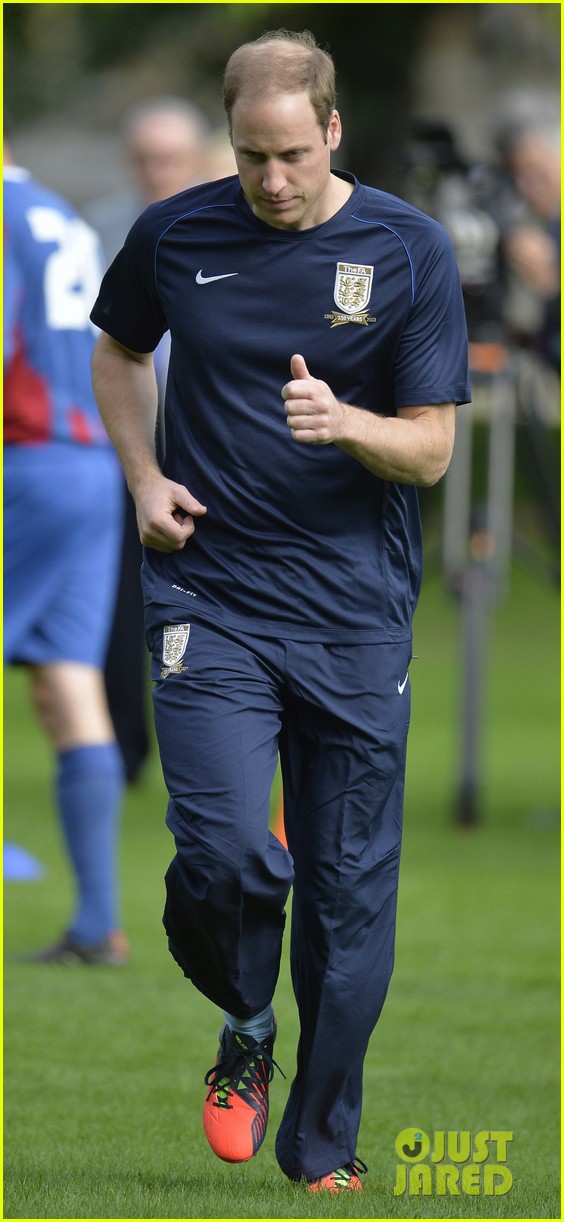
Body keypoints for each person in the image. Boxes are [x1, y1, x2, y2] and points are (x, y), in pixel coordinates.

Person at [90, 29, 470, 1188]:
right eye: (253, 156)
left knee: (351, 901)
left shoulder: (410, 249)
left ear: (334, 130)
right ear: (230, 140)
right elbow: (115, 352)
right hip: (211, 592)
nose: (273, 180)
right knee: (219, 850)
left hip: (356, 615)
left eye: (294, 155)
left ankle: (322, 1149)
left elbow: (435, 450)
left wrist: (349, 424)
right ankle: (246, 1020)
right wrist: (144, 478)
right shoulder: (177, 230)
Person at [4, 148, 128, 966]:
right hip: (93, 465)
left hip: (30, 465)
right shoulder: (59, 211)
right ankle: (96, 926)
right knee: (69, 682)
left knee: (69, 681)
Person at [87, 97, 210, 783]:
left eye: (170, 158)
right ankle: (121, 750)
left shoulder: (229, 228)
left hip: (200, 444)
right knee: (113, 602)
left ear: (194, 161)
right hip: (118, 441)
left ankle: (198, 744)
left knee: (196, 602)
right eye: (144, 159)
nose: (156, 171)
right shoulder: (102, 225)